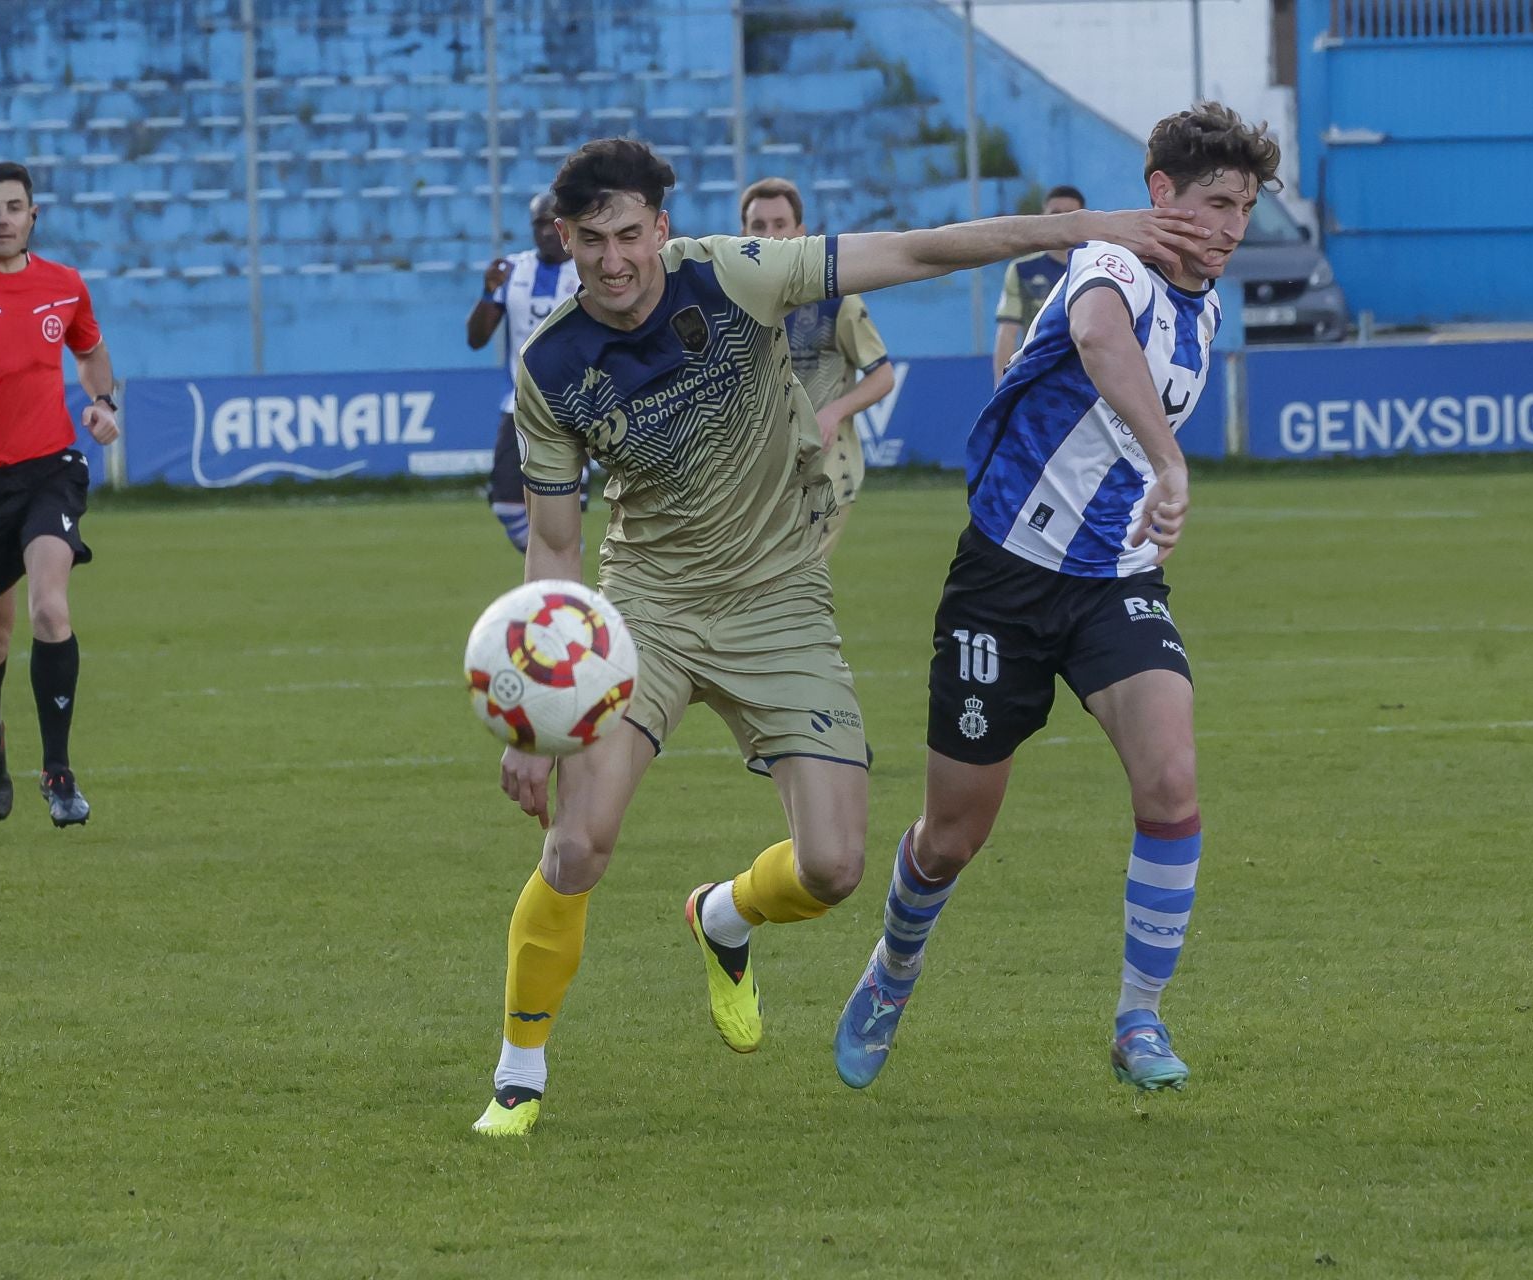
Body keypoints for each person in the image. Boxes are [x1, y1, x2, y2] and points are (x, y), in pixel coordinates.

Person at [470, 137, 1205, 1135]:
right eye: (592, 240)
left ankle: (722, 916)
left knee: (834, 867)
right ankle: (519, 1073)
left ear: (661, 227)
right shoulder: (551, 365)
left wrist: (1086, 227)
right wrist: (531, 727)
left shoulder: (734, 272)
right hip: (647, 608)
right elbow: (554, 552)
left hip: (780, 599)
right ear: (565, 237)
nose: (614, 261)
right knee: (582, 838)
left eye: (631, 235)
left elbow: (917, 251)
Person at [832, 104, 1277, 1094]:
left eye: (1245, 206)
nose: (1232, 226)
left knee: (1172, 783)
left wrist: (1153, 485)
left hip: (1114, 585)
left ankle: (1139, 1019)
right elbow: (1096, 335)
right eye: (1215, 202)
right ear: (1161, 194)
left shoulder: (1204, 304)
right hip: (1003, 584)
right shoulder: (1108, 263)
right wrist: (1170, 461)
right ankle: (893, 967)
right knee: (953, 833)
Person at [0, 161, 121, 828]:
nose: (1, 218)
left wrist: (103, 402)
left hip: (50, 468)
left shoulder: (64, 286)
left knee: (51, 610)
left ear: (32, 217)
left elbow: (91, 353)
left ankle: (59, 773)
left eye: (12, 207)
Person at [740, 177, 894, 554]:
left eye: (780, 225)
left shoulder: (835, 302)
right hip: (758, 476)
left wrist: (833, 412)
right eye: (759, 226)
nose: (771, 236)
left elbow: (883, 376)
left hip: (824, 474)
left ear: (800, 232)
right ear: (742, 234)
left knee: (788, 587)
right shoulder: (734, 305)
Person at [465, 192, 584, 552]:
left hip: (574, 407)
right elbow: (476, 339)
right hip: (517, 405)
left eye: (552, 222)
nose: (546, 231)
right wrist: (487, 293)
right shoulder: (512, 271)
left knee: (561, 511)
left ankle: (564, 586)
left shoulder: (586, 268)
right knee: (506, 504)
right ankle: (557, 574)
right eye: (538, 224)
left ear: (565, 225)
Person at [991, 185, 1086, 381]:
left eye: (1070, 213)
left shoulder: (1096, 266)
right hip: (1039, 375)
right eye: (1055, 213)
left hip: (1089, 374)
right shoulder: (1023, 270)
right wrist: (1000, 386)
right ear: (1043, 217)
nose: (1062, 219)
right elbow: (1007, 333)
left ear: (1083, 218)